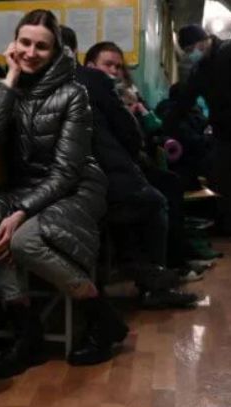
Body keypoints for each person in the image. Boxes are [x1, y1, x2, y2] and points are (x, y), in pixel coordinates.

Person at [0, 10, 128, 379]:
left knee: (22, 241)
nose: (31, 52)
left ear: (55, 51)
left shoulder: (74, 92)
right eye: (24, 43)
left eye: (42, 46)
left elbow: (66, 171)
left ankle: (101, 316)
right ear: (14, 44)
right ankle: (27, 332)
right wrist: (9, 77)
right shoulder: (9, 85)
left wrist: (21, 212)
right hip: (25, 187)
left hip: (76, 187)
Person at [60, 27, 199, 308]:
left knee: (158, 185)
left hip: (75, 179)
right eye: (107, 65)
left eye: (117, 67)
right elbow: (130, 138)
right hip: (96, 177)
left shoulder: (33, 87)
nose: (113, 71)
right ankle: (153, 277)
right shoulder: (94, 83)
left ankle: (157, 270)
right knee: (153, 198)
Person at [167, 24, 231, 236]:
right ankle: (223, 221)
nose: (191, 55)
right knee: (221, 174)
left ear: (201, 42)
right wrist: (167, 124)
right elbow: (186, 99)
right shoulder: (200, 69)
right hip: (221, 126)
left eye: (190, 50)